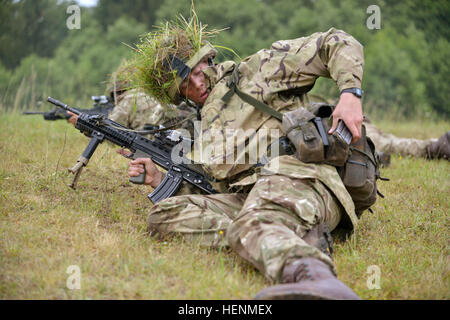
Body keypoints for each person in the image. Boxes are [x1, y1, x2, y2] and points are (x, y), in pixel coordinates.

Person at [122, 11, 377, 300]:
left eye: (193, 74)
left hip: (299, 179)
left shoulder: (259, 70)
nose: (195, 87)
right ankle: (265, 237)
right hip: (250, 198)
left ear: (207, 60)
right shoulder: (204, 126)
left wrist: (350, 94)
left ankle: (316, 279)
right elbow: (217, 187)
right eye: (183, 88)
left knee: (255, 220)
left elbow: (336, 41)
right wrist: (159, 179)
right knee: (163, 216)